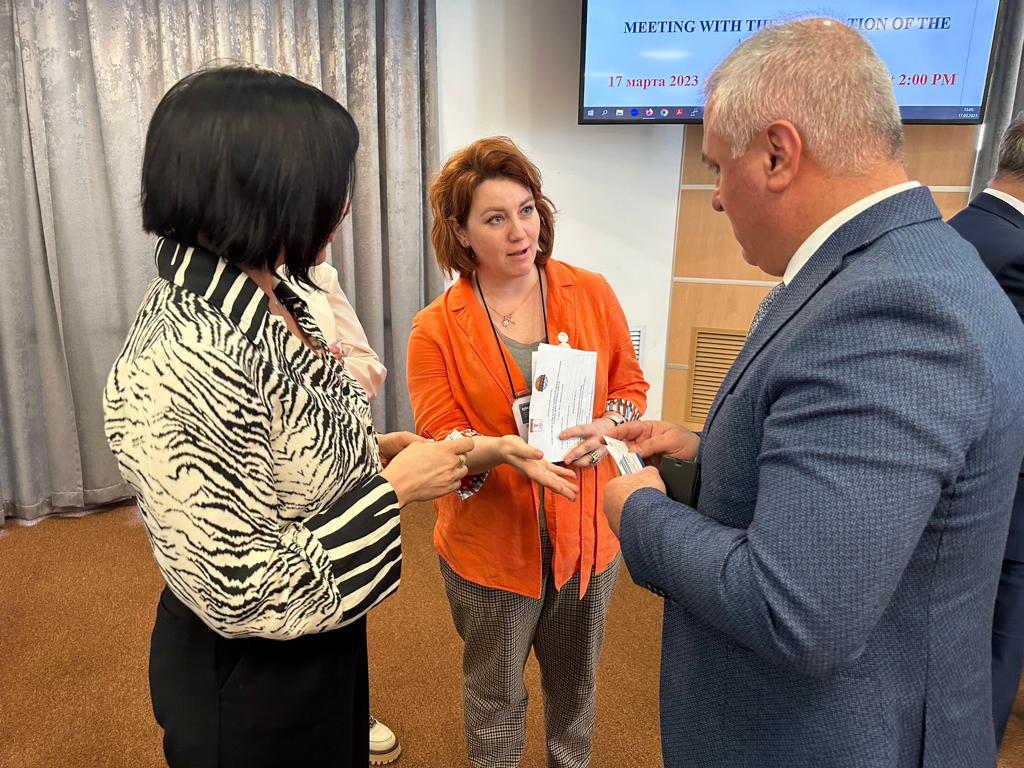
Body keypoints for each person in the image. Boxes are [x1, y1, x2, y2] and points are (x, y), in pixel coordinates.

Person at [601, 19, 1024, 768]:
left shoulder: (892, 308)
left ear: (777, 154)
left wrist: (638, 511)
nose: (716, 198)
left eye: (717, 166)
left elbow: (795, 609)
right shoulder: (896, 267)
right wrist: (703, 458)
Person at [103, 65, 480, 768]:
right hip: (249, 673)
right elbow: (240, 589)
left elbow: (273, 441)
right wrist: (392, 491)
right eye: (328, 188)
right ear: (259, 190)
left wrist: (368, 452)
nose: (342, 207)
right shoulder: (182, 356)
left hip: (320, 634)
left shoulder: (282, 292)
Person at [407, 136, 649, 768]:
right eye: (495, 218)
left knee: (576, 687)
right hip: (491, 548)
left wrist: (607, 426)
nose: (520, 232)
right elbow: (443, 445)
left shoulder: (590, 292)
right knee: (495, 696)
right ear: (461, 234)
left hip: (586, 538)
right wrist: (496, 452)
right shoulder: (435, 329)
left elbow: (630, 389)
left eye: (527, 210)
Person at [281, 261, 397, 764]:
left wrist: (325, 379)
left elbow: (367, 363)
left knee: (344, 591)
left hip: (336, 464)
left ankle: (353, 708)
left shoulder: (318, 276)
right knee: (287, 594)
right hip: (280, 482)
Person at [949, 117, 1024, 747]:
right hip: (1008, 501)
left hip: (946, 492)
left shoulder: (950, 235)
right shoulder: (1016, 252)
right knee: (991, 661)